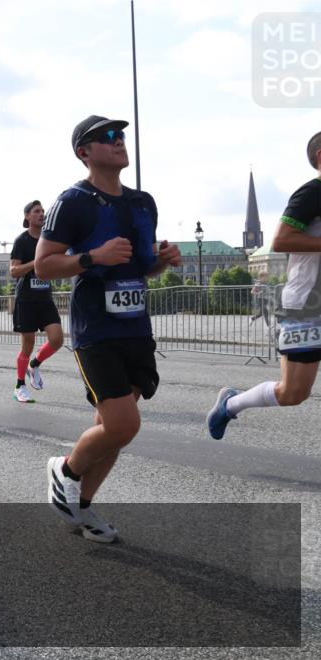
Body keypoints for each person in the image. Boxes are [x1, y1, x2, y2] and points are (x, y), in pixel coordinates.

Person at [35, 115, 181, 543]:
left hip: (136, 327)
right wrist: (92, 257)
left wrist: (161, 261)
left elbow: (140, 267)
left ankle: (81, 508)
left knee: (112, 431)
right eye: (109, 137)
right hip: (96, 329)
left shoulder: (143, 202)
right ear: (84, 152)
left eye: (121, 136)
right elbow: (43, 265)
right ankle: (64, 470)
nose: (120, 142)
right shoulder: (73, 201)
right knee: (123, 425)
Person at [207, 131, 321, 439]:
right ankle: (231, 404)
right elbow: (282, 240)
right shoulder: (312, 193)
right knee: (293, 393)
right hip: (307, 306)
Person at [9, 201, 65, 402]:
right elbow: (13, 271)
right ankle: (20, 386)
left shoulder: (48, 239)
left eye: (43, 211)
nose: (41, 214)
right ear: (27, 216)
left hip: (45, 298)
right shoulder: (22, 241)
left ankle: (35, 365)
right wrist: (36, 263)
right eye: (36, 211)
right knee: (28, 344)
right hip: (26, 299)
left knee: (57, 339)